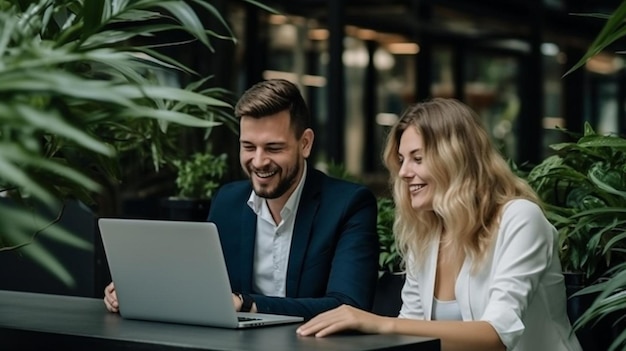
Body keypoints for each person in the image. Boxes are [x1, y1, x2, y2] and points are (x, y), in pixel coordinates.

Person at [296, 98, 582, 351]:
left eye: (417, 158)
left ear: (455, 159)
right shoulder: (428, 231)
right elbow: (411, 327)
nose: (405, 172)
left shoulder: (520, 219)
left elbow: (496, 335)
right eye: (401, 160)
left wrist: (378, 323)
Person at [104, 79, 380, 321]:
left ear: (305, 143)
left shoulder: (349, 205)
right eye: (248, 147)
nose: (258, 161)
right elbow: (202, 286)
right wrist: (138, 290)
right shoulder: (228, 201)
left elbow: (348, 306)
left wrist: (248, 304)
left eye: (273, 147)